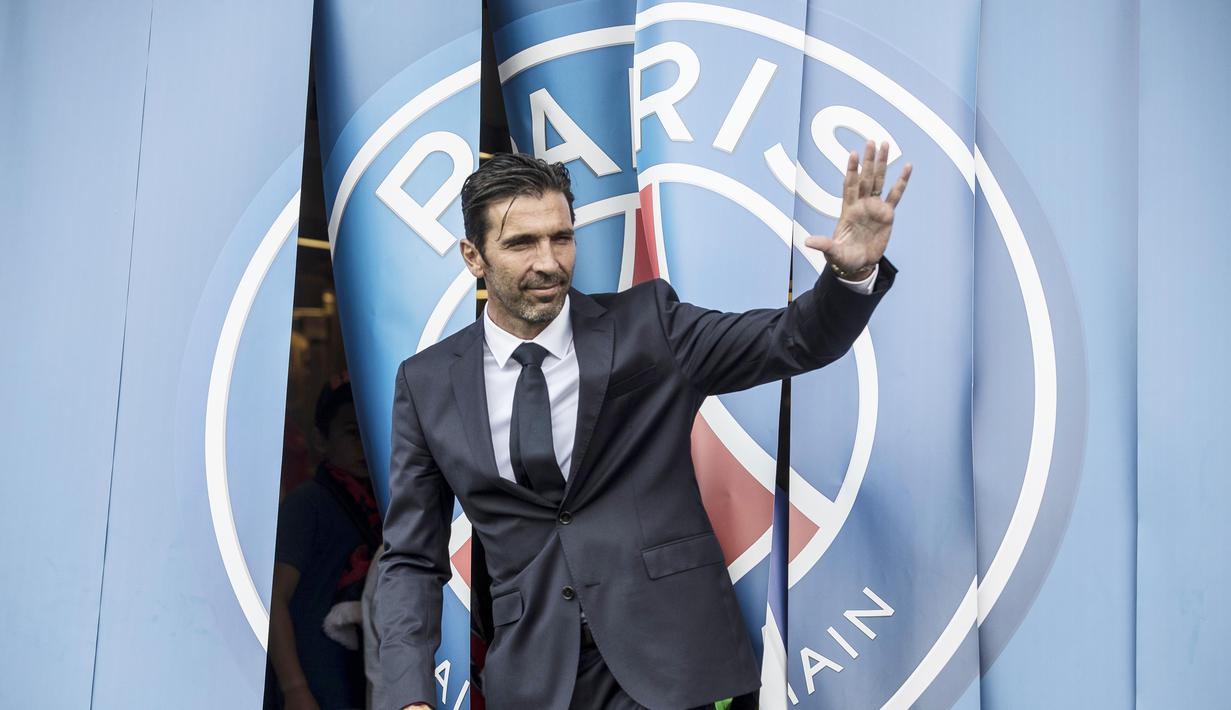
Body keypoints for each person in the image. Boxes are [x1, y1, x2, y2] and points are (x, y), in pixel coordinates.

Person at [376, 143, 911, 710]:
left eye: (561, 237)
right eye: (522, 243)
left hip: (676, 667)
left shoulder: (650, 326)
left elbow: (791, 340)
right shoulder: (427, 382)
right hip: (536, 683)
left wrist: (849, 276)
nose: (549, 262)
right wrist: (410, 695)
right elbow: (411, 557)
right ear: (473, 257)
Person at [268, 376, 383, 710]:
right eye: (352, 432)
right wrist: (294, 688)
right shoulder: (308, 503)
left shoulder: (387, 504)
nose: (365, 443)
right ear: (320, 440)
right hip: (317, 692)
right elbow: (274, 598)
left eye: (372, 430)